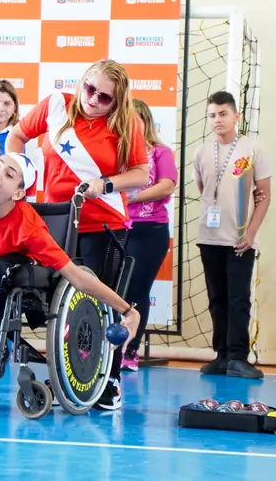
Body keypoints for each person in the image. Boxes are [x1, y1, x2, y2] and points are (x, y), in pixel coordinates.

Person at [6, 59, 149, 411]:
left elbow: (141, 174)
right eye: (90, 89)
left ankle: (109, 379)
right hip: (58, 222)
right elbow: (16, 136)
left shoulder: (126, 123)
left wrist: (106, 184)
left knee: (102, 304)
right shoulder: (56, 105)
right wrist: (17, 173)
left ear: (117, 102)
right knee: (61, 306)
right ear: (82, 81)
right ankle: (69, 380)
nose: (93, 100)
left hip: (105, 224)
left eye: (105, 98)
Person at [0, 153, 141, 375]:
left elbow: (77, 276)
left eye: (9, 175)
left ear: (18, 194)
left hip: (14, 264)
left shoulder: (30, 230)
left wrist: (128, 311)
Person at [193, 91, 272, 379]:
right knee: (217, 298)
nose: (218, 119)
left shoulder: (253, 150)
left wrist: (250, 233)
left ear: (236, 116)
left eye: (224, 113)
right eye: (212, 115)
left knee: (239, 299)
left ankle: (239, 357)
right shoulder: (201, 152)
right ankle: (222, 355)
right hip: (209, 237)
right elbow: (204, 189)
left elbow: (264, 196)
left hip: (239, 239)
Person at [120, 99, 177, 372]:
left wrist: (131, 198)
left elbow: (166, 186)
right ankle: (107, 347)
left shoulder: (161, 152)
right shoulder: (117, 153)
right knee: (111, 290)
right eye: (126, 119)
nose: (131, 124)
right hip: (117, 229)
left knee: (137, 289)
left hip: (150, 230)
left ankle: (130, 350)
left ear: (146, 122)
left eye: (136, 119)